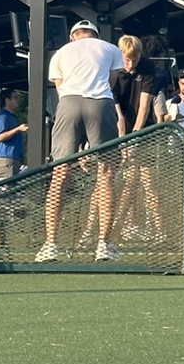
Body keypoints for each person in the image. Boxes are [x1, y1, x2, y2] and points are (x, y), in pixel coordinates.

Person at [35, 19, 124, 263]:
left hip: (69, 103)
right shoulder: (110, 49)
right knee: (106, 174)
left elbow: (60, 89)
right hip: (100, 104)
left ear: (72, 36)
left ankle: (50, 245)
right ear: (95, 35)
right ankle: (104, 245)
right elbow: (111, 83)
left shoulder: (60, 53)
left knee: (60, 173)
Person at [112, 35, 164, 242]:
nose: (131, 64)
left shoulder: (148, 68)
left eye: (135, 59)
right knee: (117, 183)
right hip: (116, 129)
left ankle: (159, 231)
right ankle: (107, 230)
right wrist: (122, 140)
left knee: (148, 182)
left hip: (141, 133)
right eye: (127, 59)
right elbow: (118, 114)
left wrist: (134, 137)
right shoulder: (112, 68)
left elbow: (144, 108)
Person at [0, 89, 28, 180]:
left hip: (11, 160)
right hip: (5, 161)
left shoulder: (11, 117)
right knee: (7, 188)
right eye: (15, 97)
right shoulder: (2, 117)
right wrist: (18, 129)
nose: (18, 100)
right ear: (7, 100)